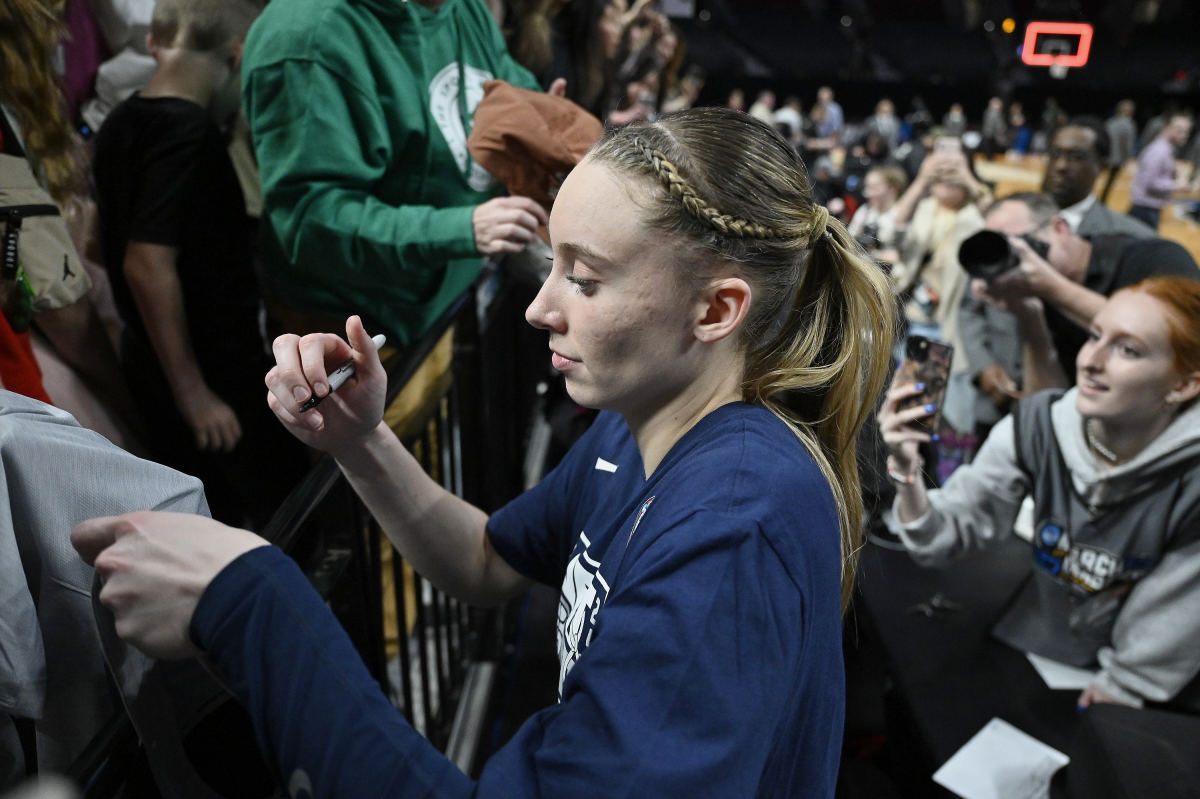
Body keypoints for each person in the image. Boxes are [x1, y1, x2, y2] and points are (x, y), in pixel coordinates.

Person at [71, 107, 897, 797]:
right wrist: (362, 440)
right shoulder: (637, 420)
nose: (541, 307)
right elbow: (482, 558)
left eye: (585, 277)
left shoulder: (735, 525)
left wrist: (248, 602)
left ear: (716, 309)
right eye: (551, 265)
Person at [879, 276, 1200, 710]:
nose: (1091, 360)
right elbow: (945, 536)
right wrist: (906, 469)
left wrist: (1124, 690)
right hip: (1046, 643)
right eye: (1094, 336)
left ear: (1183, 385)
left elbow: (1169, 628)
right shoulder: (1037, 426)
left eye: (1128, 349)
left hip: (1146, 687)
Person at [91, 0, 306, 529]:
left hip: (160, 369)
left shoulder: (120, 121)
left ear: (153, 43)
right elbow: (146, 263)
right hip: (213, 379)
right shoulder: (188, 134)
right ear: (238, 53)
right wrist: (195, 396)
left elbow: (104, 242)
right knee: (271, 519)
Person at [241, 0, 554, 356]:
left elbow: (501, 78)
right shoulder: (307, 38)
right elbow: (311, 222)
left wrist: (541, 116)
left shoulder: (459, 8)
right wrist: (459, 229)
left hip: (440, 306)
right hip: (352, 328)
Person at [971, 193, 1199, 394]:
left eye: (1015, 244)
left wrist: (1052, 287)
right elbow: (1045, 405)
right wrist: (1030, 316)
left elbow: (1178, 338)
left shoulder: (1155, 257)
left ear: (1060, 229)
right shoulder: (1034, 292)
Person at [1041, 118, 1154, 238]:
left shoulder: (1132, 237)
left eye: (1076, 157)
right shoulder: (1021, 214)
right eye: (1055, 154)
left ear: (1101, 166)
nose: (1060, 165)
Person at [1129, 112, 1193, 231]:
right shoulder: (1158, 152)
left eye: (1186, 131)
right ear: (1167, 128)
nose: (1184, 135)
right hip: (1145, 210)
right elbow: (1150, 183)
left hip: (1147, 209)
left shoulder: (1164, 150)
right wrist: (1177, 186)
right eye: (1180, 130)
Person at [846, 164, 906, 268]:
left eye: (874, 188)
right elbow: (849, 241)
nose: (868, 193)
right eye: (867, 187)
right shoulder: (865, 211)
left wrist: (874, 253)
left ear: (892, 189)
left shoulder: (901, 215)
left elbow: (903, 257)